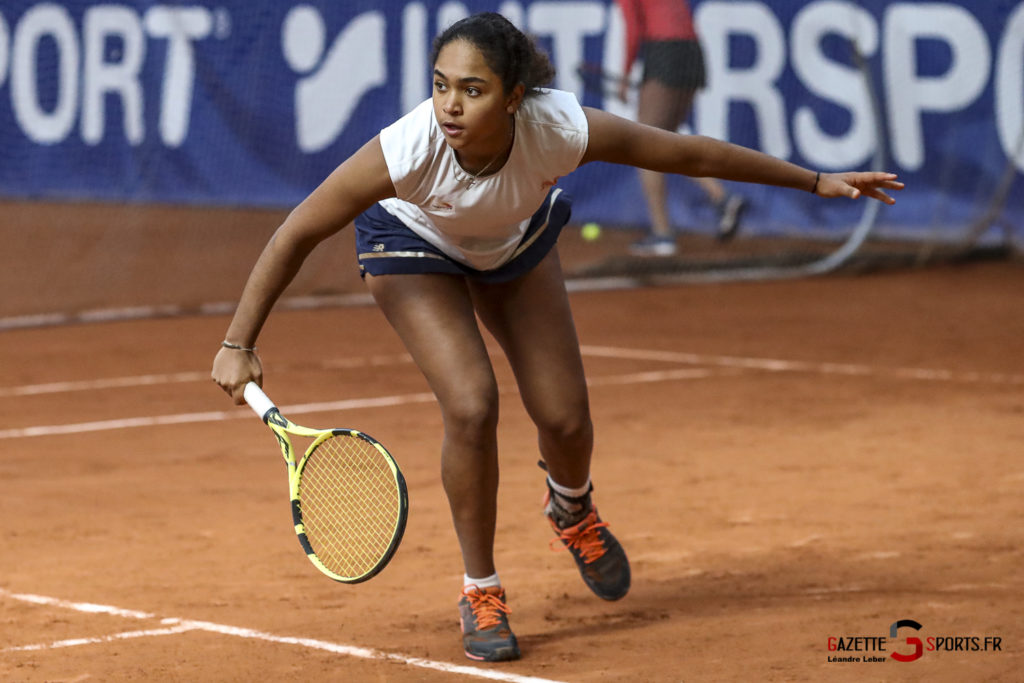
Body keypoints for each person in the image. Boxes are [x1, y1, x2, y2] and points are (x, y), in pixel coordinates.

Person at [211, 12, 902, 663]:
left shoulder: (559, 126)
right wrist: (239, 340)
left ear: (514, 98)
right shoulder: (407, 149)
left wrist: (816, 181)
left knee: (566, 417)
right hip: (413, 245)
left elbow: (687, 154)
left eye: (472, 90)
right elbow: (297, 229)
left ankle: (571, 507)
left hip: (515, 245)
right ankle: (480, 590)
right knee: (473, 404)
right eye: (441, 85)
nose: (450, 104)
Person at [616, 0, 748, 256]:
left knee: (643, 147)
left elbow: (633, 29)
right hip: (692, 51)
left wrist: (625, 76)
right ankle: (721, 198)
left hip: (664, 50)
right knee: (669, 140)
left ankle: (663, 235)